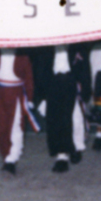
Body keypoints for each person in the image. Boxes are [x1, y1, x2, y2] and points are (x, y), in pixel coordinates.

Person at [0, 48, 39, 175]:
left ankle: (12, 158)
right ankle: (6, 155)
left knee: (16, 125)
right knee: (1, 126)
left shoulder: (22, 55)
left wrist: (30, 96)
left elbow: (29, 77)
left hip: (16, 93)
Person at [36, 44, 91, 173]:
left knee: (74, 117)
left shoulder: (77, 46)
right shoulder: (46, 47)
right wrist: (42, 94)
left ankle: (76, 147)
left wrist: (86, 89)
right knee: (56, 120)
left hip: (71, 81)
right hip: (54, 81)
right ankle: (61, 155)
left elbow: (84, 68)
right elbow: (40, 69)